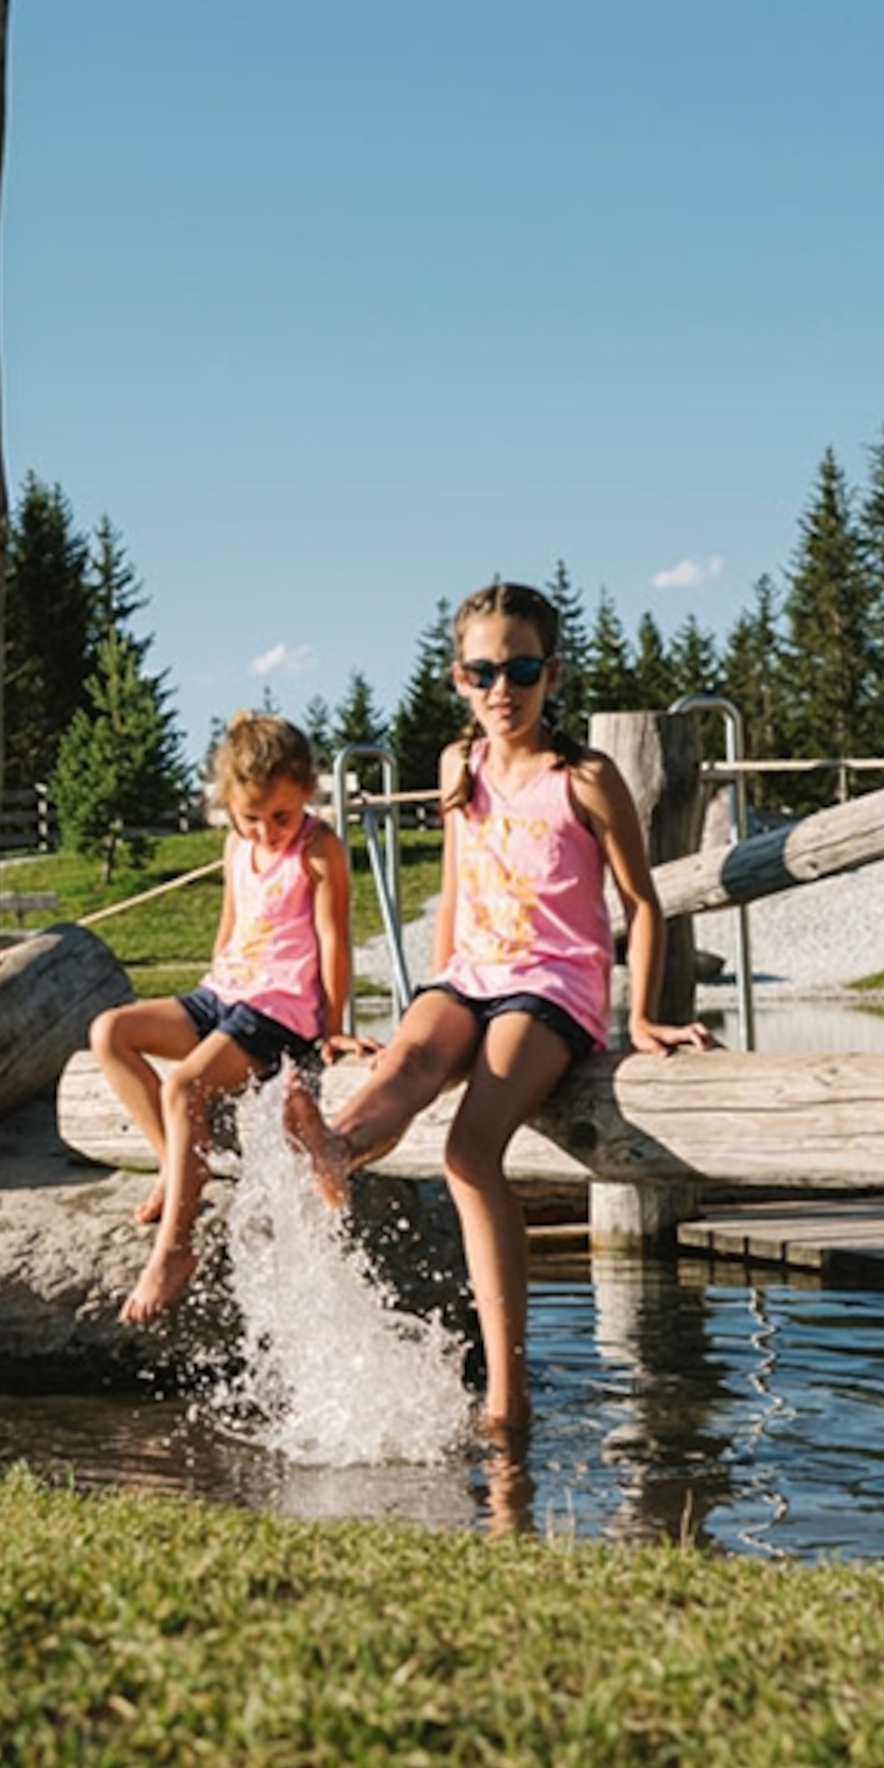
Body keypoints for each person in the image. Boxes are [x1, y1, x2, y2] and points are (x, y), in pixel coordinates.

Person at [300, 580, 715, 1450]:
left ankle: (507, 1390)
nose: (502, 687)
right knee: (410, 1060)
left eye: (520, 669)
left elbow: (641, 903)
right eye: (482, 670)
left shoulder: (586, 779)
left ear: (552, 673)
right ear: (458, 678)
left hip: (553, 987)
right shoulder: (460, 766)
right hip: (471, 973)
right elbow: (455, 885)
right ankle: (336, 1144)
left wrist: (638, 1017)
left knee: (466, 1149)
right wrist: (434, 989)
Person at [89, 711, 365, 1324]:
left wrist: (332, 1025)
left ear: (308, 795)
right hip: (227, 994)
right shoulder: (237, 845)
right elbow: (230, 924)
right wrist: (212, 988)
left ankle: (175, 1248)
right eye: (252, 818)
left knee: (185, 1083)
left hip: (280, 1010)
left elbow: (334, 939)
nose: (268, 831)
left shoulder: (319, 849)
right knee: (111, 1032)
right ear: (229, 807)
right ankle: (179, 1163)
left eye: (282, 817)